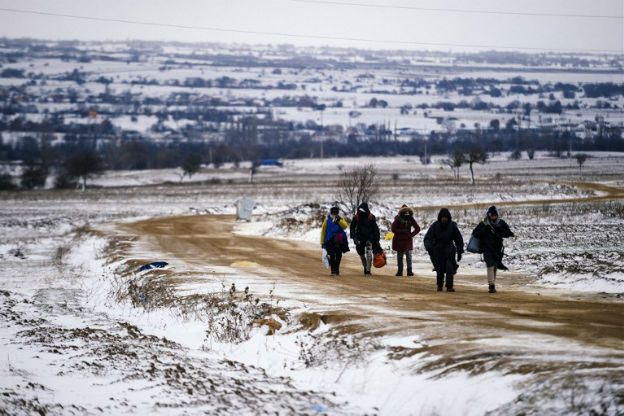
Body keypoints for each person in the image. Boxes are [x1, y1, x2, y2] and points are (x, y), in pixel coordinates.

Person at [471, 206, 514, 293]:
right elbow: (475, 234)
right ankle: (491, 285)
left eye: (495, 215)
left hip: (497, 249)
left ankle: (492, 283)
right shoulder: (484, 223)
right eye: (492, 215)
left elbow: (508, 233)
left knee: (494, 266)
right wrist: (483, 230)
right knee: (490, 265)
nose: (494, 217)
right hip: (487, 248)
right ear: (489, 215)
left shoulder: (501, 223)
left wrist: (502, 232)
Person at [423, 208, 464, 292]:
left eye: (446, 217)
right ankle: (440, 285)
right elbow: (428, 238)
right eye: (442, 217)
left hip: (449, 250)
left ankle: (449, 286)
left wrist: (460, 251)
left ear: (448, 218)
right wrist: (429, 248)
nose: (444, 219)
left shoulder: (452, 226)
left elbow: (458, 239)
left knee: (450, 268)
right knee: (439, 269)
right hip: (438, 250)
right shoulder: (435, 226)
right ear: (440, 218)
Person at [350, 202, 382, 276]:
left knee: (369, 254)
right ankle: (365, 266)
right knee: (361, 253)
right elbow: (352, 228)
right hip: (360, 238)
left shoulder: (371, 217)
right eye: (360, 210)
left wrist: (377, 239)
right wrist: (354, 237)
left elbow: (375, 228)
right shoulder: (356, 217)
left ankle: (367, 270)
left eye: (363, 210)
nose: (362, 211)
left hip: (369, 238)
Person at [391, 205, 421, 277]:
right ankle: (402, 271)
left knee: (406, 256)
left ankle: (406, 271)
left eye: (407, 212)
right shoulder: (398, 219)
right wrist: (404, 232)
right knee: (403, 256)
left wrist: (410, 235)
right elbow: (393, 229)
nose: (406, 213)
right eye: (405, 212)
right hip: (400, 240)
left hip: (405, 240)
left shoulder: (410, 218)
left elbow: (417, 228)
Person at [320, 206, 349, 276]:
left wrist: (339, 220)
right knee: (332, 254)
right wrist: (322, 241)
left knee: (339, 254)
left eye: (336, 213)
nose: (334, 215)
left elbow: (345, 226)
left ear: (337, 213)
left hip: (339, 238)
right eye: (333, 213)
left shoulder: (340, 219)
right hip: (329, 239)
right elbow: (323, 231)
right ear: (331, 213)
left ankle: (337, 268)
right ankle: (333, 270)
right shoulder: (327, 220)